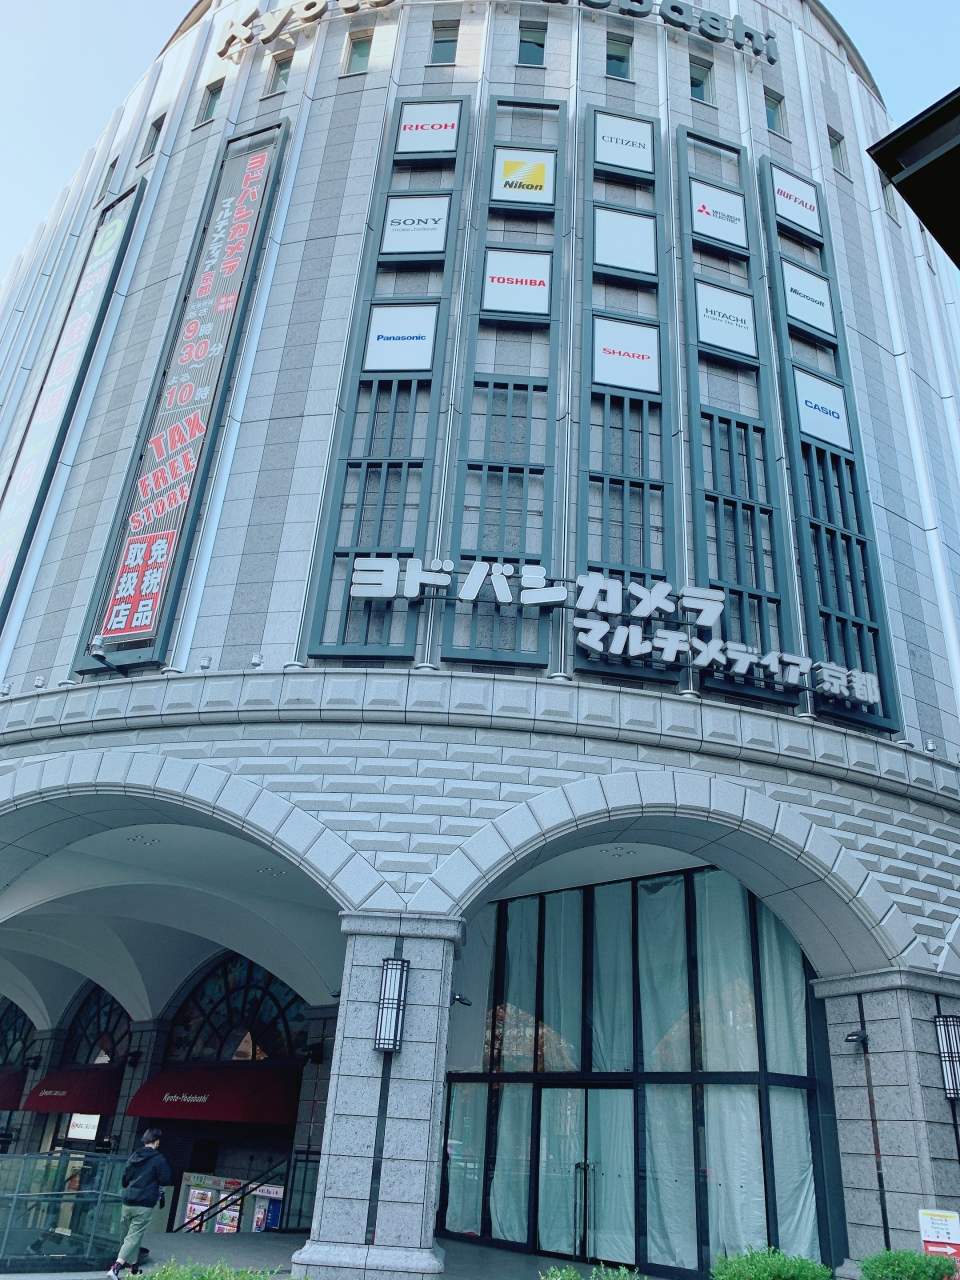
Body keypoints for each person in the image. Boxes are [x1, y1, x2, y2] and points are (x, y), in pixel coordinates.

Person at [108, 1129, 171, 1279]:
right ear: (157, 1141)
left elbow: (125, 1179)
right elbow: (165, 1179)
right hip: (144, 1204)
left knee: (127, 1236)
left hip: (128, 1201)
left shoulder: (133, 1156)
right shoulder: (158, 1159)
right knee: (134, 1236)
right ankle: (116, 1267)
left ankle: (134, 1268)